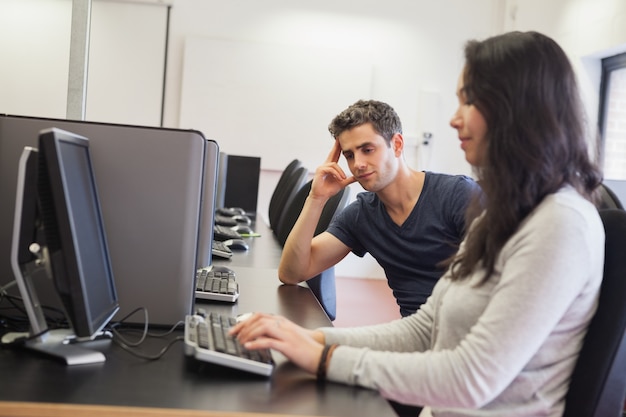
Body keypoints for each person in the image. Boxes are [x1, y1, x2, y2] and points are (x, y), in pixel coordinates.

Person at [232, 31, 605, 416]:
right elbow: (425, 328)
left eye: (469, 101)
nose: (453, 118)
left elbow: (470, 378)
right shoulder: (502, 214)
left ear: (519, 107)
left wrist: (324, 359)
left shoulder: (560, 224)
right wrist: (310, 339)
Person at [278, 99, 480, 317]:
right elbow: (292, 273)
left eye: (367, 149)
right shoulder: (362, 214)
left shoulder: (458, 195)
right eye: (349, 155)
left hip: (467, 336)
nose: (358, 164)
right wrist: (316, 198)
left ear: (398, 144)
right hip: (413, 334)